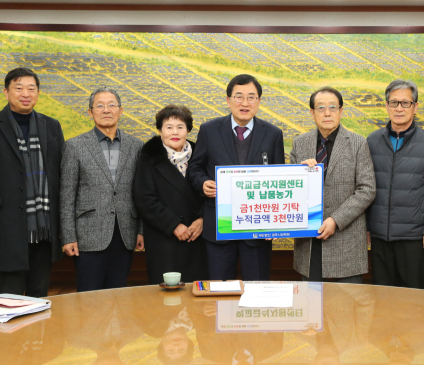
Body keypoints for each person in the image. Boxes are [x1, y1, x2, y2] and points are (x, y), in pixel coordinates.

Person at [0, 67, 64, 297]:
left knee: (39, 294)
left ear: (38, 93)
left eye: (31, 89)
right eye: (19, 88)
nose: (25, 93)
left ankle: (38, 335)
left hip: (44, 227)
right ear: (6, 92)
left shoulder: (51, 126)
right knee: (9, 296)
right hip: (7, 226)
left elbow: (61, 174)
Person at [188, 74, 284, 281]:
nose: (245, 103)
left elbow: (279, 178)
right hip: (219, 226)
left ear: (259, 101)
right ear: (228, 100)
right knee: (220, 292)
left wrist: (275, 224)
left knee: (257, 289)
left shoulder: (273, 134)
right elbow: (194, 169)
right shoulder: (209, 130)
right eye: (238, 97)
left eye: (251, 97)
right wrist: (203, 183)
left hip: (258, 228)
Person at [60, 88, 144, 292]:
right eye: (100, 105)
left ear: (121, 111)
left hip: (125, 232)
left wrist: (141, 231)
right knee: (89, 296)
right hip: (88, 234)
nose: (106, 110)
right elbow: (66, 194)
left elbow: (141, 192)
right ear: (90, 112)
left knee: (118, 293)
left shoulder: (136, 145)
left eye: (111, 105)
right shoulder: (75, 146)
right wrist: (68, 236)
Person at [366, 79, 424, 289]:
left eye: (405, 103)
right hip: (379, 237)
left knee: (414, 300)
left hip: (415, 239)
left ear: (415, 107)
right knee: (382, 296)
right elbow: (364, 187)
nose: (399, 108)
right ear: (386, 106)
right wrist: (365, 227)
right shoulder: (371, 141)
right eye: (394, 103)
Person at [291, 87, 376, 283]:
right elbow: (291, 191)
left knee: (345, 308)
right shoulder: (300, 143)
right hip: (309, 245)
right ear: (312, 113)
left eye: (332, 107)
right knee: (311, 307)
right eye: (321, 108)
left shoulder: (358, 143)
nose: (327, 113)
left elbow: (367, 189)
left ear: (341, 111)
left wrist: (336, 220)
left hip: (345, 242)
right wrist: (300, 174)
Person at [133, 104, 207, 284]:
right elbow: (144, 198)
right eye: (169, 127)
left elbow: (213, 192)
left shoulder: (202, 154)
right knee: (167, 299)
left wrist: (202, 219)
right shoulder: (149, 156)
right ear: (160, 130)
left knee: (197, 295)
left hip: (197, 237)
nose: (175, 132)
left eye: (180, 127)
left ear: (188, 130)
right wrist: (174, 224)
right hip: (164, 239)